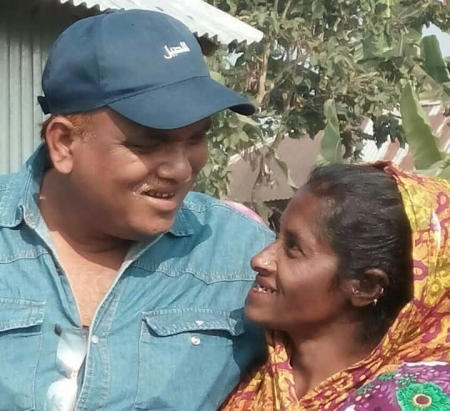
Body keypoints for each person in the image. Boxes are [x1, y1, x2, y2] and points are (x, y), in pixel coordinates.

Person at [0, 9, 274, 411]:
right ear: (63, 144)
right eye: (148, 144)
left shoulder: (244, 256)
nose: (180, 169)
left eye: (196, 138)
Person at [221, 163, 450, 411]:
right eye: (278, 234)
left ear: (365, 286)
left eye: (294, 248)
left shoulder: (403, 399)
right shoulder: (233, 352)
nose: (259, 260)